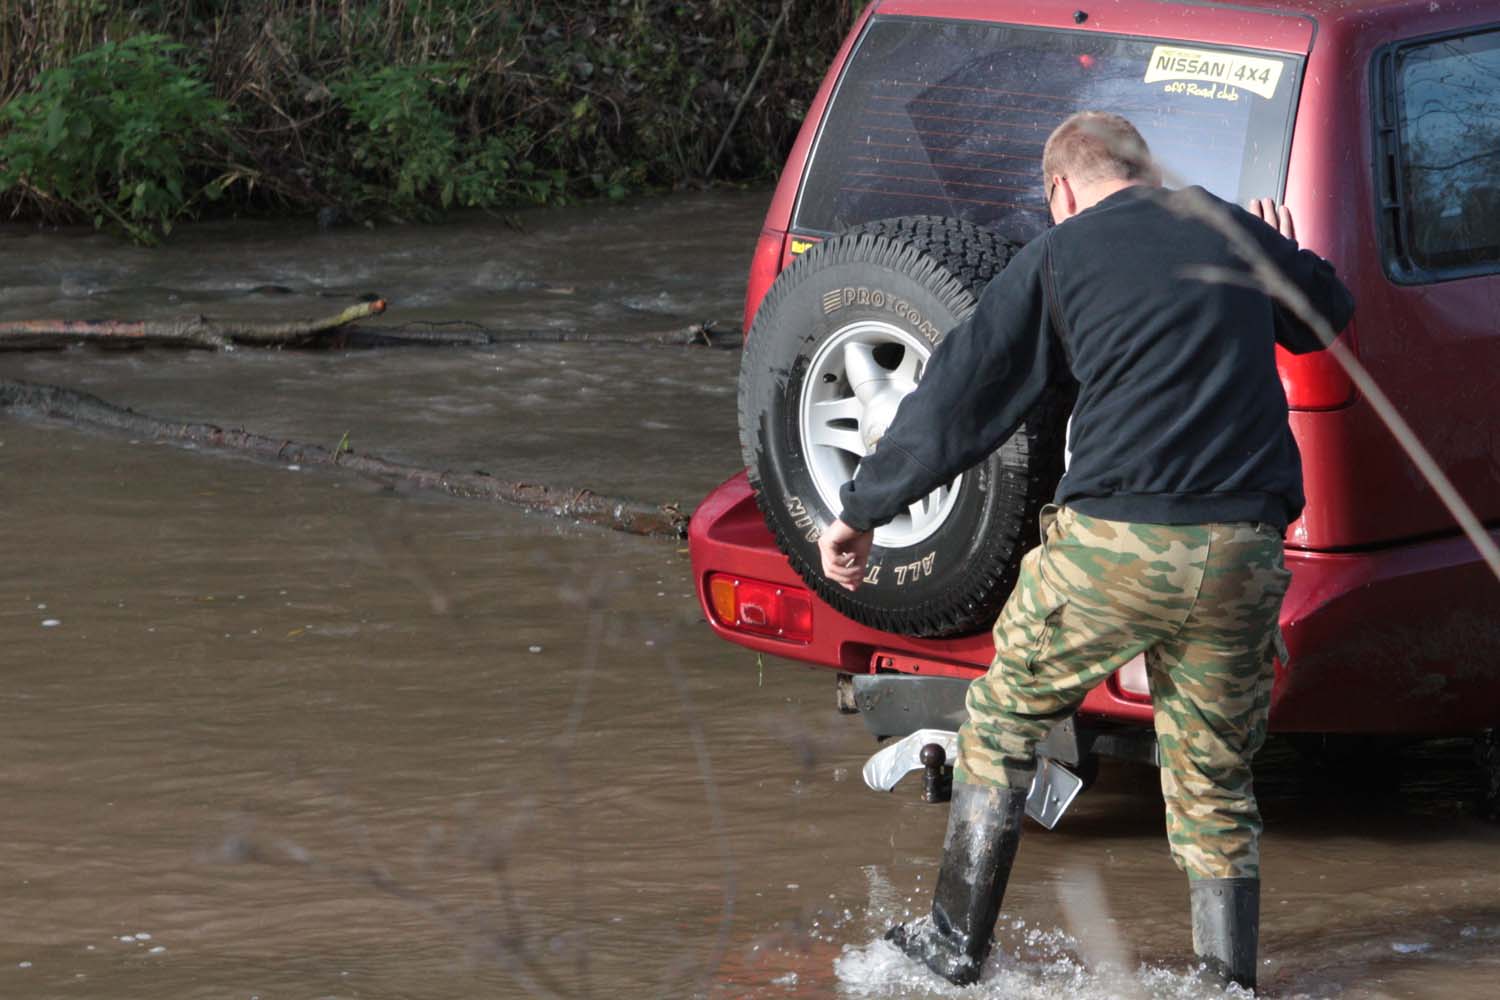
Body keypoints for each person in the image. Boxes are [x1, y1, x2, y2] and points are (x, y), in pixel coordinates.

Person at [817, 111, 1355, 990]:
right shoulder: (1225, 224)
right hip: (1243, 552)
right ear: (1145, 170)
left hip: (1117, 547)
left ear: (1061, 190)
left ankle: (953, 947)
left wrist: (862, 509)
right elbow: (1328, 314)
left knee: (1000, 725)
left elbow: (959, 397)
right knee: (1214, 781)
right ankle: (1225, 983)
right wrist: (1285, 252)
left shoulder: (1060, 252)